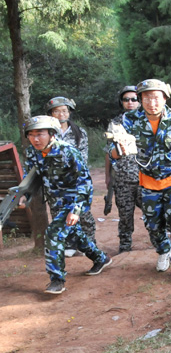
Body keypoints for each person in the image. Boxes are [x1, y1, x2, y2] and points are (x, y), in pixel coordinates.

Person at [109, 79, 171, 283]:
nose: (152, 102)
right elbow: (113, 150)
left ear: (165, 98)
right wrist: (118, 151)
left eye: (156, 97)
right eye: (147, 98)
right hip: (149, 181)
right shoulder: (128, 121)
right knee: (152, 223)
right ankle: (163, 250)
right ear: (141, 99)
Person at [23, 116, 112, 294]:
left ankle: (57, 280)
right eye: (31, 135)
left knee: (53, 234)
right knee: (75, 235)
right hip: (56, 201)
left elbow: (84, 183)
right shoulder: (33, 152)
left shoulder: (68, 151)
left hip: (74, 200)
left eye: (40, 134)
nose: (35, 139)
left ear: (51, 134)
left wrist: (76, 210)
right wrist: (23, 195)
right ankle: (100, 258)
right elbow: (31, 177)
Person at [46, 96, 95, 253]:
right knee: (59, 214)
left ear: (69, 112)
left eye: (64, 111)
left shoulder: (79, 133)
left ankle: (89, 243)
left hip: (75, 182)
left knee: (84, 215)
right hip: (55, 184)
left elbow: (83, 159)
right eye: (56, 111)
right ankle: (68, 245)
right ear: (50, 114)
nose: (61, 114)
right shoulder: (45, 133)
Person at [105, 86, 143, 253]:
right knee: (125, 215)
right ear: (121, 102)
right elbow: (109, 152)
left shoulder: (148, 120)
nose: (130, 102)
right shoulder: (115, 124)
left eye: (134, 99)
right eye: (126, 99)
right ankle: (125, 246)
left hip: (146, 176)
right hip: (123, 178)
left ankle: (160, 245)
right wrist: (108, 176)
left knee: (153, 213)